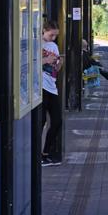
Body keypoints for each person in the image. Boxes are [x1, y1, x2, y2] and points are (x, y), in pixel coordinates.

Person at [42, 20, 64, 166]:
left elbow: (55, 71)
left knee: (57, 121)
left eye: (55, 36)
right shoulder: (36, 43)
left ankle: (46, 151)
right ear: (44, 30)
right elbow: (26, 62)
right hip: (40, 88)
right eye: (51, 35)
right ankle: (41, 154)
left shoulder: (54, 46)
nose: (53, 38)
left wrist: (58, 64)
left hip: (52, 87)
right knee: (41, 122)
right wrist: (45, 60)